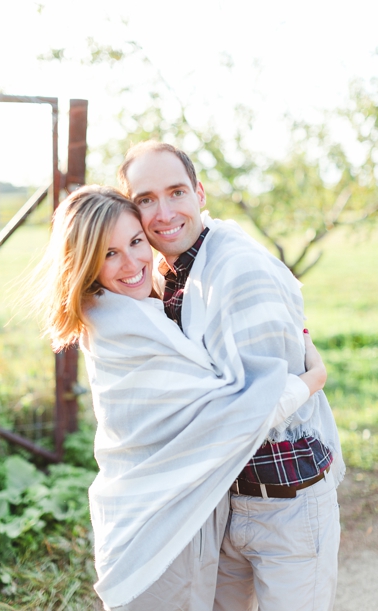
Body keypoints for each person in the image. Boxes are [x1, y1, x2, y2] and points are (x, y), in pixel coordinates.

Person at [34, 185, 328, 611]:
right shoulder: (123, 327)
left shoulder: (141, 309)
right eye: (109, 253)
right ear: (83, 262)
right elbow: (224, 416)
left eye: (136, 242)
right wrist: (309, 381)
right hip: (158, 529)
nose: (132, 262)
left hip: (171, 516)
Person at [117, 142, 343, 611]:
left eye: (176, 192)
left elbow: (254, 408)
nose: (163, 212)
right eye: (146, 199)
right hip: (222, 504)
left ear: (200, 193)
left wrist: (312, 379)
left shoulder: (236, 268)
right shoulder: (174, 273)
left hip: (286, 502)